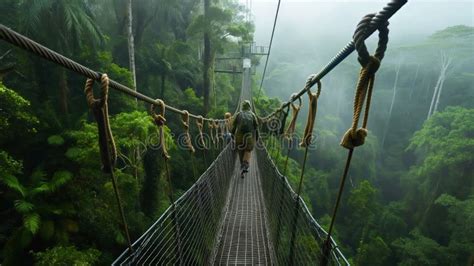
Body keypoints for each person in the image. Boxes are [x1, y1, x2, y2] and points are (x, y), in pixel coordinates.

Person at [231, 100, 259, 178]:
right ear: (250, 107)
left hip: (239, 137)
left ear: (242, 107)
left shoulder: (238, 114)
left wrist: (232, 136)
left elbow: (233, 128)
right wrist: (257, 138)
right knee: (248, 150)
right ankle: (245, 165)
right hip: (249, 137)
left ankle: (242, 169)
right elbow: (256, 129)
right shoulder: (253, 115)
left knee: (240, 151)